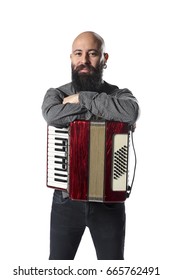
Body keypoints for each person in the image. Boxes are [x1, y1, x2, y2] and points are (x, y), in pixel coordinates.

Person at [41, 31, 139, 260]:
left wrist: (82, 99)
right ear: (71, 58)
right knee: (57, 268)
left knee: (113, 269)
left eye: (92, 53)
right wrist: (107, 111)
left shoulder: (120, 95)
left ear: (104, 58)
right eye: (78, 53)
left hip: (109, 205)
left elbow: (131, 112)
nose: (84, 60)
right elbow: (52, 115)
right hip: (65, 202)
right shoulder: (56, 94)